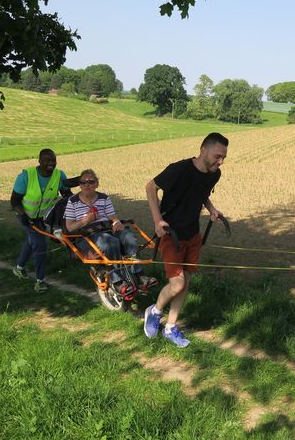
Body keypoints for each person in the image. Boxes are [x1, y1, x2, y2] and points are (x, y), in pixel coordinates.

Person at [143, 132, 228, 348]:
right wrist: (157, 220)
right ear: (203, 151)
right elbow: (150, 187)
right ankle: (154, 311)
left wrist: (211, 209)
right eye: (217, 156)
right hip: (171, 234)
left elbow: (200, 193)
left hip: (192, 234)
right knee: (177, 283)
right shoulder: (179, 169)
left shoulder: (213, 174)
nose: (220, 162)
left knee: (186, 282)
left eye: (223, 158)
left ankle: (171, 327)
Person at [63, 169, 157, 292]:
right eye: (83, 182)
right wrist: (86, 221)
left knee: (129, 237)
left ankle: (139, 276)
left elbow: (112, 217)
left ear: (97, 184)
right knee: (110, 242)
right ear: (79, 185)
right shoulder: (72, 201)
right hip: (87, 235)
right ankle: (118, 282)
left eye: (91, 182)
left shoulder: (104, 198)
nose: (87, 185)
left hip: (107, 228)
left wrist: (117, 222)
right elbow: (69, 227)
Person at [10, 149, 72, 292]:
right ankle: (40, 281)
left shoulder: (59, 175)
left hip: (45, 217)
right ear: (39, 161)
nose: (51, 163)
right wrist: (23, 216)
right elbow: (14, 200)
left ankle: (19, 268)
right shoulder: (26, 176)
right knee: (40, 244)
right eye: (47, 160)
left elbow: (67, 194)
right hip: (26, 216)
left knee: (31, 241)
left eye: (53, 160)